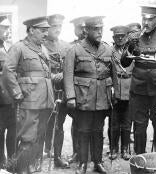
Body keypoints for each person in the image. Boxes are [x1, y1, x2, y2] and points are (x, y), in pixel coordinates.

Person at [3, 16, 54, 174]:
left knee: (39, 137)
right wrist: (17, 94)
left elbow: (46, 75)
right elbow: (7, 72)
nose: (46, 34)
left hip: (45, 101)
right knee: (27, 138)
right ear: (31, 30)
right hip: (29, 101)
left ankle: (30, 166)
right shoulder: (19, 47)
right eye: (43, 31)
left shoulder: (43, 50)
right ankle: (20, 169)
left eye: (47, 31)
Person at [121, 6, 156, 154]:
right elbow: (124, 62)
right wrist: (130, 45)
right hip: (139, 89)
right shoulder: (134, 36)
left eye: (150, 19)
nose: (146, 22)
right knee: (139, 126)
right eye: (144, 18)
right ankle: (140, 159)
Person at [64, 16, 111, 174]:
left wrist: (115, 94)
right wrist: (70, 97)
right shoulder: (75, 49)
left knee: (98, 131)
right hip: (83, 98)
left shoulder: (107, 49)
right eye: (96, 29)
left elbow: (115, 74)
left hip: (102, 99)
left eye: (101, 29)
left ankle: (97, 162)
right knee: (83, 131)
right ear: (87, 30)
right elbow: (68, 75)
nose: (99, 32)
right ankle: (83, 163)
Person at [43, 14, 71, 168]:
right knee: (45, 124)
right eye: (54, 26)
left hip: (62, 93)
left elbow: (71, 68)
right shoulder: (41, 46)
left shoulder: (66, 46)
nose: (58, 30)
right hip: (46, 92)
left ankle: (57, 157)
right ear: (47, 28)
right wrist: (53, 76)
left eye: (60, 26)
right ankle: (44, 151)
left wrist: (64, 75)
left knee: (59, 125)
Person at [67, 16, 89, 163]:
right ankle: (76, 151)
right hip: (77, 91)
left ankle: (89, 154)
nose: (82, 31)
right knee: (77, 123)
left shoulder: (94, 46)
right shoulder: (70, 47)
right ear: (74, 30)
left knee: (91, 124)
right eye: (79, 28)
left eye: (84, 28)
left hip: (91, 91)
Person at [110, 25, 133, 160]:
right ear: (113, 38)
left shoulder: (131, 51)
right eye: (117, 36)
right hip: (116, 89)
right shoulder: (110, 51)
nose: (120, 39)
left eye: (122, 36)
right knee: (114, 122)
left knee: (126, 122)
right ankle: (113, 148)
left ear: (126, 37)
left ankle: (125, 149)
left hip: (129, 88)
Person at [0, 14, 15, 168]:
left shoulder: (8, 46)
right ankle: (1, 163)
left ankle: (11, 163)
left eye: (8, 27)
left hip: (10, 98)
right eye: (4, 27)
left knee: (12, 131)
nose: (7, 30)